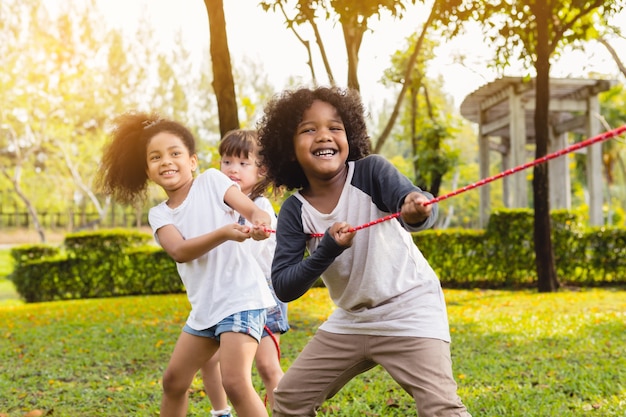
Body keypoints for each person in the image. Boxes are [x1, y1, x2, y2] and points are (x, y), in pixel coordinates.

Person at [256, 86, 471, 417]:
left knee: (440, 408)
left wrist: (416, 209)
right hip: (352, 320)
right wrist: (326, 249)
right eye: (308, 129)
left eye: (334, 127)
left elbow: (410, 204)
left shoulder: (371, 172)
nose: (323, 136)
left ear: (349, 136)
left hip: (409, 310)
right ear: (288, 147)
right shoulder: (294, 211)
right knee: (289, 399)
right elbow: (284, 285)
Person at [97, 112, 275, 417]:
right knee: (174, 382)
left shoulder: (212, 180)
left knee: (234, 381)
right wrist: (223, 233)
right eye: (156, 157)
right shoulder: (160, 215)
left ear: (192, 161)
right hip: (205, 310)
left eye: (175, 153)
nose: (166, 161)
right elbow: (179, 251)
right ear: (147, 170)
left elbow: (252, 210)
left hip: (241, 298)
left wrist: (259, 224)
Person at [201, 129, 290, 416]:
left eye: (242, 163)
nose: (232, 170)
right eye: (226, 162)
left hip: (261, 294)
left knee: (267, 366)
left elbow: (242, 256)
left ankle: (284, 412)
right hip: (229, 295)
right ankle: (221, 411)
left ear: (261, 170)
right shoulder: (220, 207)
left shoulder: (260, 206)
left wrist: (256, 231)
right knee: (210, 360)